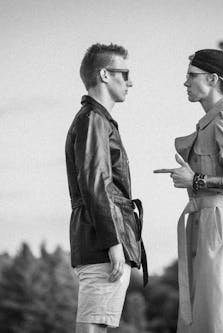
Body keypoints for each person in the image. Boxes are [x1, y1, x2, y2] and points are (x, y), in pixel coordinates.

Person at [154, 49, 223, 333]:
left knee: (221, 318)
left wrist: (197, 181)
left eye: (191, 76)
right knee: (204, 319)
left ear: (213, 79)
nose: (185, 83)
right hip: (206, 226)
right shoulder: (209, 122)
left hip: (221, 229)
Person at [65, 43, 147, 333]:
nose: (130, 81)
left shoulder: (98, 120)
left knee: (99, 324)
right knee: (93, 325)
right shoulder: (93, 120)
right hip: (103, 241)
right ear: (104, 74)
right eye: (124, 73)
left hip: (103, 237)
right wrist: (114, 243)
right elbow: (95, 184)